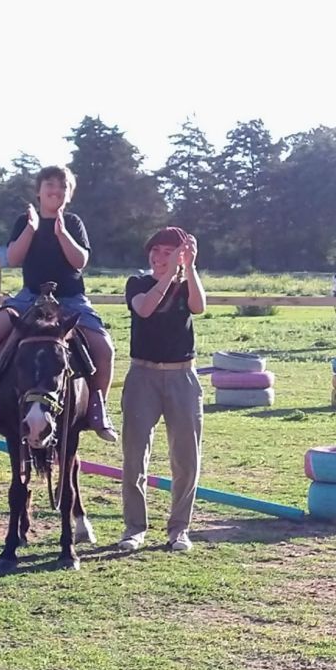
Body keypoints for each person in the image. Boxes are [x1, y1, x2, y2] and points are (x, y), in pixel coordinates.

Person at [0, 165, 117, 441]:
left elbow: (80, 262)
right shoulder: (24, 221)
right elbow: (14, 258)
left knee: (104, 347)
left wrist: (62, 233)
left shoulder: (73, 223)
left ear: (69, 194)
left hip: (70, 299)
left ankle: (98, 409)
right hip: (29, 297)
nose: (55, 190)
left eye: (62, 186)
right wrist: (31, 229)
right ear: (38, 191)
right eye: (49, 184)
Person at [119, 227, 206, 553]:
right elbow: (144, 308)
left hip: (182, 376)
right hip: (143, 374)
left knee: (186, 458)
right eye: (155, 251)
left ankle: (179, 529)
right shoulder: (137, 283)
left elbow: (198, 307)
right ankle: (134, 528)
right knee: (134, 455)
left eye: (168, 252)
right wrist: (169, 274)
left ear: (181, 255)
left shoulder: (186, 286)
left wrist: (191, 268)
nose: (158, 257)